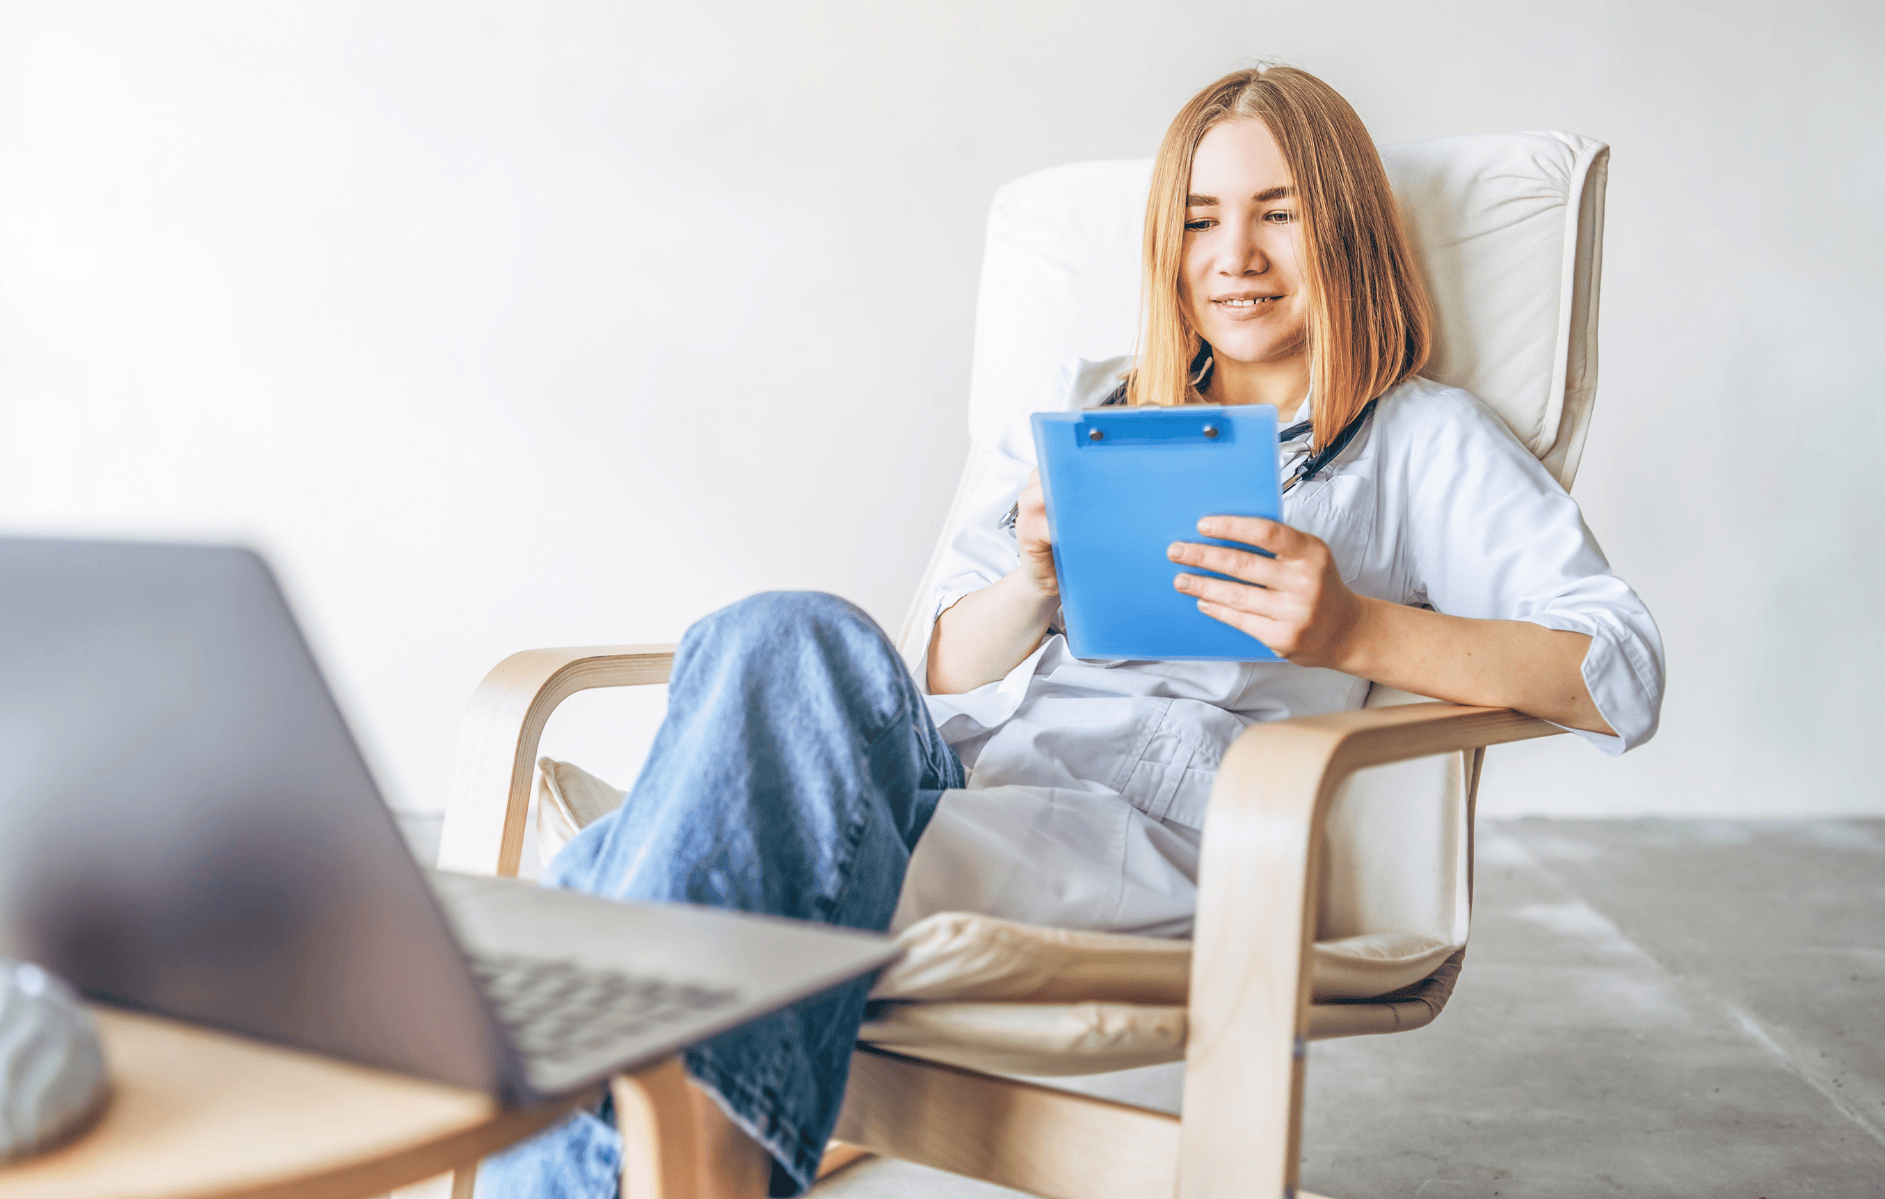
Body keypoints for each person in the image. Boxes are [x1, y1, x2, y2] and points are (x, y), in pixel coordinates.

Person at [479, 65, 1664, 1199]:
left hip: (1144, 826)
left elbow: (1622, 671)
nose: (1234, 256)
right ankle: (708, 1161)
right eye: (1199, 220)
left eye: (1277, 214)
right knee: (784, 631)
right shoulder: (1086, 402)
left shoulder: (1416, 442)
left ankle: (680, 1161)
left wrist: (1353, 627)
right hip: (955, 772)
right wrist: (1035, 578)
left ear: (1343, 226)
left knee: (620, 885)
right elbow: (928, 666)